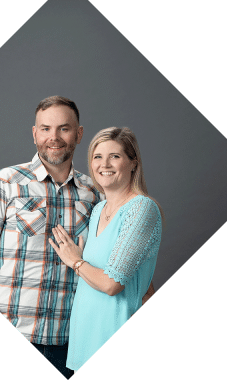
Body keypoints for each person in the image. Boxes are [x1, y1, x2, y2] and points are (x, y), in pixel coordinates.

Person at [0, 96, 101, 378]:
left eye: (64, 128)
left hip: (71, 342)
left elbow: (105, 257)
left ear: (79, 134)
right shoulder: (6, 182)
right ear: (34, 133)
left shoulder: (93, 192)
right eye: (46, 128)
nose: (54, 137)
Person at [49, 127, 163, 371]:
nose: (104, 164)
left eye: (115, 156)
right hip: (85, 337)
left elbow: (112, 284)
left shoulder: (141, 208)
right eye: (98, 156)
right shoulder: (99, 209)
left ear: (133, 163)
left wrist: (75, 261)